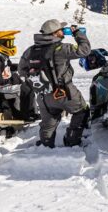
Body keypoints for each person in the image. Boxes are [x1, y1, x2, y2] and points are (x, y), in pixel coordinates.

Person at [20, 19, 92, 148]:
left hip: (43, 95)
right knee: (81, 111)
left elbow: (21, 71)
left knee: (48, 123)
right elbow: (85, 50)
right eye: (61, 30)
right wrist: (77, 33)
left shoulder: (30, 51)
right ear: (54, 33)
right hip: (65, 92)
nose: (63, 32)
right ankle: (72, 141)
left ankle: (46, 146)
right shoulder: (61, 48)